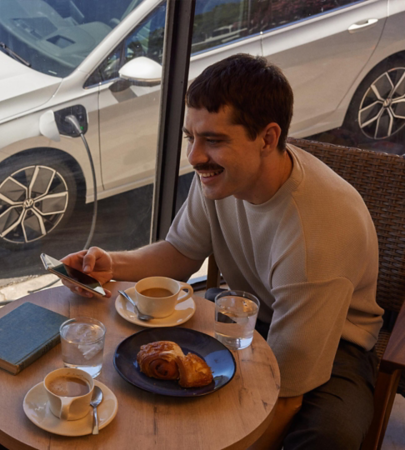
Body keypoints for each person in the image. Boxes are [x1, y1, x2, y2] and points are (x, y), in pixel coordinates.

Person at [62, 54, 383, 449]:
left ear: (267, 138)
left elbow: (287, 397)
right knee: (131, 357)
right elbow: (179, 253)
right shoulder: (222, 177)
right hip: (243, 310)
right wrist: (111, 265)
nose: (194, 157)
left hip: (334, 341)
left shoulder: (319, 233)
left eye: (213, 140)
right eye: (191, 137)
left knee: (328, 437)